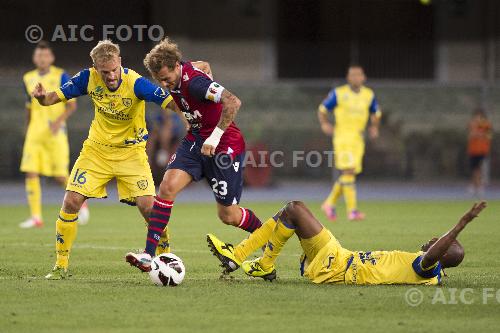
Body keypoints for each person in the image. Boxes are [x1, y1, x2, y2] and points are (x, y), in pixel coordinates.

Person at [32, 40, 209, 279]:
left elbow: (171, 102)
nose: (111, 76)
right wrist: (42, 98)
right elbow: (54, 97)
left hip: (132, 153)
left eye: (114, 70)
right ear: (96, 69)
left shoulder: (135, 82)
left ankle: (165, 254)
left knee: (149, 208)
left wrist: (187, 119)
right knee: (71, 201)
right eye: (105, 72)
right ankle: (60, 266)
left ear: (120, 63)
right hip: (96, 151)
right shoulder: (87, 79)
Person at [125, 38, 272, 272]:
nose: (164, 84)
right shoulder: (182, 71)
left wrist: (214, 136)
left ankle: (266, 235)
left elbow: (233, 102)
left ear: (176, 66)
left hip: (224, 144)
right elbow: (203, 64)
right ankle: (148, 255)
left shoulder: (194, 83)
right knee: (166, 187)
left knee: (228, 215)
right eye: (159, 80)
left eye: (167, 78)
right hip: (195, 140)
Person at [207, 200, 486, 285]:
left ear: (442, 253)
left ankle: (249, 258)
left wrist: (462, 224)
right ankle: (251, 259)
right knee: (288, 212)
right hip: (339, 258)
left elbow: (433, 256)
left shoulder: (425, 268)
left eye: (437, 242)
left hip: (339, 266)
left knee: (294, 208)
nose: (431, 241)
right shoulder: (430, 273)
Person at [19, 41, 89, 228]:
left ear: (51, 57)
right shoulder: (28, 77)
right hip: (35, 133)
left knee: (59, 176)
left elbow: (71, 104)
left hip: (55, 133)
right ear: (35, 58)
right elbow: (29, 106)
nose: (42, 58)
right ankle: (36, 217)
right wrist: (27, 127)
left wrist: (59, 121)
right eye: (39, 55)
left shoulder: (60, 75)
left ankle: (82, 203)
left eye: (45, 55)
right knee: (31, 172)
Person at [317, 65, 381, 221]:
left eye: (358, 75)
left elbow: (376, 113)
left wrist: (374, 126)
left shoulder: (368, 94)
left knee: (349, 174)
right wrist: (325, 124)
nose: (355, 78)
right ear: (348, 78)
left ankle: (329, 203)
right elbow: (322, 109)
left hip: (358, 138)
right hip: (342, 136)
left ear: (363, 77)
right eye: (352, 75)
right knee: (349, 171)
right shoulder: (339, 93)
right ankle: (352, 211)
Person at [467, 108, 493, 197]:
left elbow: (489, 136)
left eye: (480, 116)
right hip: (473, 150)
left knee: (478, 169)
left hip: (482, 150)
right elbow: (470, 135)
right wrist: (474, 134)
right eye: (476, 116)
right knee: (474, 169)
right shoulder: (472, 124)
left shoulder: (486, 125)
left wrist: (481, 135)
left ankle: (478, 186)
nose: (478, 118)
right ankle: (475, 186)